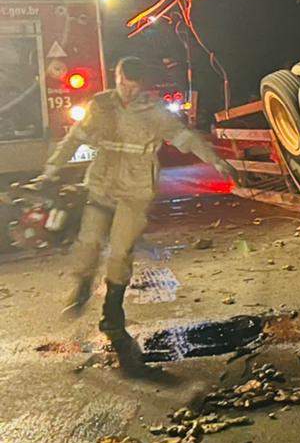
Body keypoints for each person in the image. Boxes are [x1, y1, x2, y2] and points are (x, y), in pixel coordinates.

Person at [41, 57, 237, 348]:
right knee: (88, 242)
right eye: (122, 85)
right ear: (116, 78)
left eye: (132, 88)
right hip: (102, 183)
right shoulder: (101, 105)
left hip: (136, 189)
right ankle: (82, 286)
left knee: (120, 251)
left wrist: (216, 160)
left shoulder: (154, 111)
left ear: (141, 86)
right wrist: (52, 168)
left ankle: (112, 311)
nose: (126, 93)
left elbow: (184, 137)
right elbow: (74, 138)